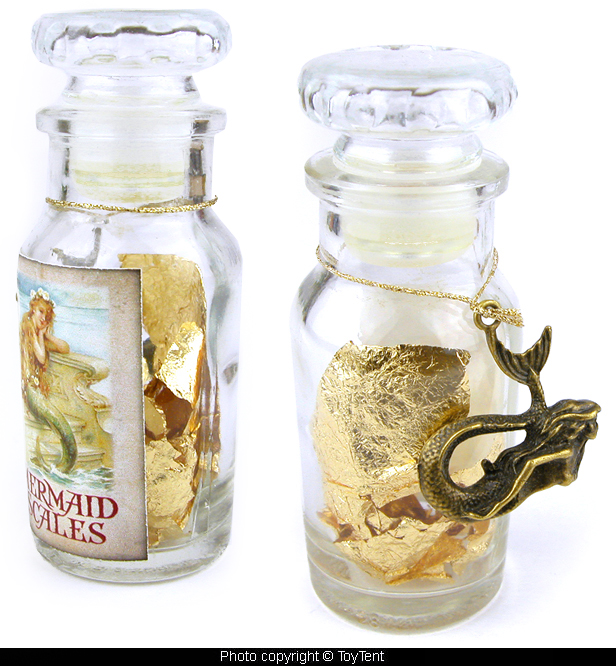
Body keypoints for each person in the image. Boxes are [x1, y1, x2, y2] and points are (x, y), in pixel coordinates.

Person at [20, 288, 77, 473]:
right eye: (40, 312)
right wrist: (39, 335)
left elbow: (65, 348)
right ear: (32, 310)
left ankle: (62, 466)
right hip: (31, 392)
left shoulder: (39, 332)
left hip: (38, 391)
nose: (44, 317)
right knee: (61, 425)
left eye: (47, 314)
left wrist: (47, 335)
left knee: (63, 427)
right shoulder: (28, 328)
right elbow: (41, 358)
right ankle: (60, 466)